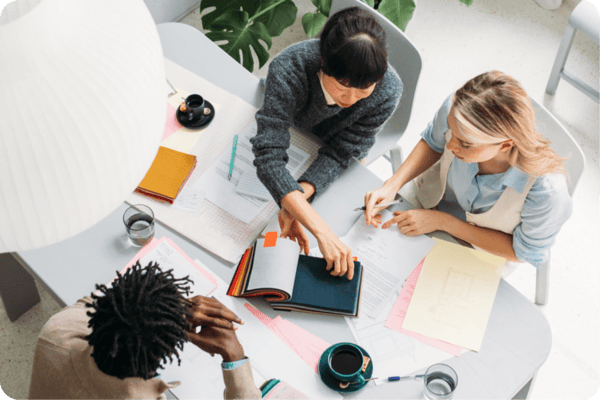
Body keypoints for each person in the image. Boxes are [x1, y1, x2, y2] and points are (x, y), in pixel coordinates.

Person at [251, 6, 402, 280]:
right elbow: (268, 156)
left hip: (332, 147)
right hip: (291, 127)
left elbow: (344, 150)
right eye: (342, 87)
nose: (351, 99)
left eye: (363, 91)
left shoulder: (388, 89)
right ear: (323, 61)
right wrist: (321, 230)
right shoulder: (290, 67)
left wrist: (298, 200)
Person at [364, 71, 572, 268]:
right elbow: (433, 143)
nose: (450, 146)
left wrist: (443, 222)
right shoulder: (456, 110)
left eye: (465, 144)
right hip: (427, 201)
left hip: (482, 249)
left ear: (504, 145)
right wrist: (391, 185)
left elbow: (522, 252)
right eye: (452, 133)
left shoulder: (547, 192)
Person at [28, 261, 261, 400]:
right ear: (167, 351)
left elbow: (100, 303)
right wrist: (234, 356)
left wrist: (163, 311)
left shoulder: (56, 331)